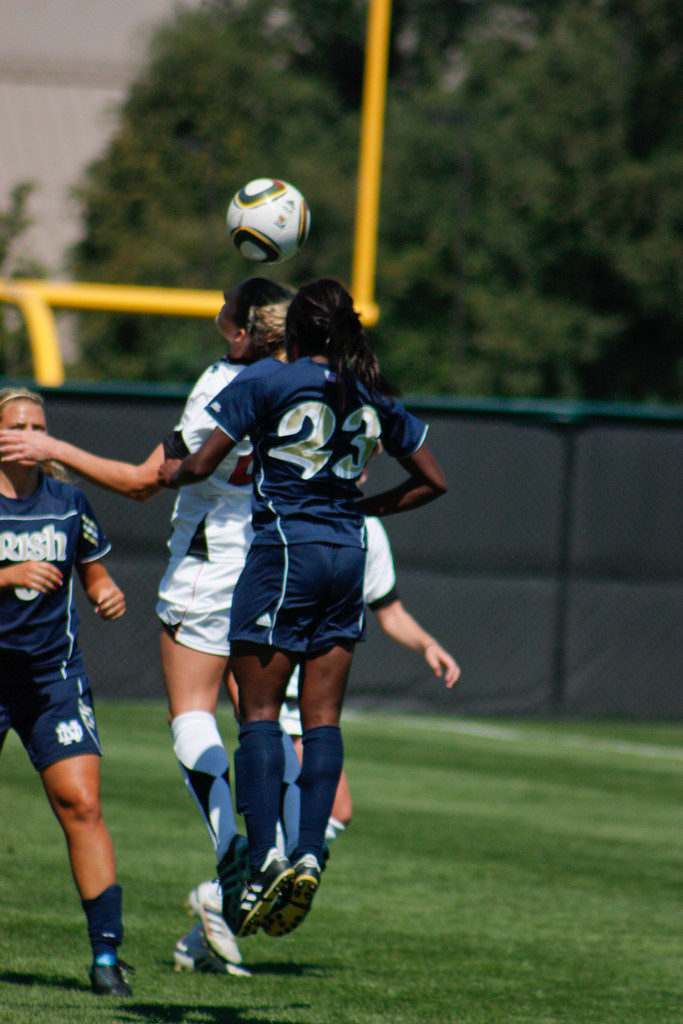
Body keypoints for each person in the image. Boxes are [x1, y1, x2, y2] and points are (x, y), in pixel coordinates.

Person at [0, 278, 296, 967]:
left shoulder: (227, 381)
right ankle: (284, 848)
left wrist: (62, 450)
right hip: (281, 559)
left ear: (237, 330)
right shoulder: (315, 379)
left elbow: (142, 481)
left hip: (213, 560)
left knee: (190, 712)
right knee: (263, 714)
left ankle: (235, 852)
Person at [157, 277, 448, 939]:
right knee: (321, 720)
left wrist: (165, 477)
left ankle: (262, 858)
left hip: (284, 552)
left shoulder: (265, 382)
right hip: (347, 555)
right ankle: (309, 851)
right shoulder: (371, 394)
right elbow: (434, 481)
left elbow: (199, 465)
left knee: (257, 711)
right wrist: (361, 508)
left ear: (293, 332)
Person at [0, 388, 132, 997]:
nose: (27, 433)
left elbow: (94, 570)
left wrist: (106, 592)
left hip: (52, 679)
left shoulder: (67, 501)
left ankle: (106, 956)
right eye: (16, 425)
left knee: (82, 805)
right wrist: (8, 574)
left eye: (37, 425)